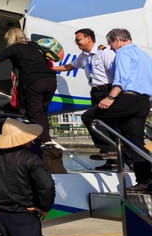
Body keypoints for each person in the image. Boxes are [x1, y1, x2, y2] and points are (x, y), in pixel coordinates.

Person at [81, 28, 152, 192]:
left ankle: (108, 150)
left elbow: (121, 78)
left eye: (111, 44)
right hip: (143, 102)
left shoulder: (123, 54)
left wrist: (110, 98)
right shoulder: (144, 56)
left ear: (118, 40)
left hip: (128, 98)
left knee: (90, 117)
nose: (111, 48)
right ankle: (146, 180)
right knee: (135, 143)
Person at [0, 28, 58, 151]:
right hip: (51, 80)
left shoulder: (14, 48)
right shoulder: (35, 46)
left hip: (34, 82)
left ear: (10, 39)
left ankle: (46, 142)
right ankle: (46, 139)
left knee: (34, 113)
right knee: (43, 112)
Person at [52, 28, 117, 166]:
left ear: (89, 38)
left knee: (94, 119)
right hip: (95, 91)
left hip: (107, 90)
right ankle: (112, 161)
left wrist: (113, 95)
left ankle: (110, 150)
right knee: (101, 122)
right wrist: (52, 69)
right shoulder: (84, 55)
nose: (77, 43)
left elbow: (116, 72)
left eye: (78, 39)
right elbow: (71, 66)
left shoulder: (103, 52)